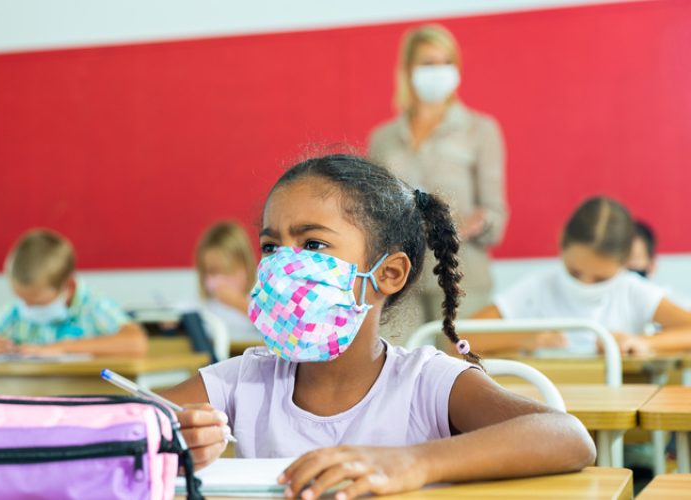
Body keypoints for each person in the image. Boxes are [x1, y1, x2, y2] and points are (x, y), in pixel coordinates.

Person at [162, 154, 594, 499]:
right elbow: (113, 422)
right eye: (271, 247)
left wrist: (410, 463)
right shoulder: (245, 379)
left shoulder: (425, 382)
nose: (283, 265)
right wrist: (162, 436)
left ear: (388, 274)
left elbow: (567, 436)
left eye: (313, 244)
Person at [367, 24, 507, 338]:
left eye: (446, 63)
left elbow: (496, 214)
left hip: (461, 275)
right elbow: (374, 208)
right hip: (402, 277)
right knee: (398, 369)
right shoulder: (383, 138)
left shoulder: (480, 130)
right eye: (428, 64)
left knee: (463, 371)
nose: (438, 71)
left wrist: (474, 224)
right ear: (408, 70)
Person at [472, 197, 691, 356]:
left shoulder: (631, 290)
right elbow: (460, 338)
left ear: (625, 262)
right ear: (562, 243)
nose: (585, 285)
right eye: (574, 272)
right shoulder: (538, 287)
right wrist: (526, 338)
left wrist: (643, 342)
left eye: (601, 279)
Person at [0, 229, 147, 356]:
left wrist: (62, 347)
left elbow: (136, 343)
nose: (27, 308)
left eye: (37, 302)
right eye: (22, 299)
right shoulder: (14, 312)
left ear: (68, 285)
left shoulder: (93, 306)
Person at [195, 221, 259, 342]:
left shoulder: (260, 300)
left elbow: (273, 326)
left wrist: (239, 303)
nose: (220, 279)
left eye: (227, 271)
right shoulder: (203, 305)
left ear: (245, 267)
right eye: (212, 272)